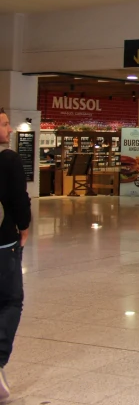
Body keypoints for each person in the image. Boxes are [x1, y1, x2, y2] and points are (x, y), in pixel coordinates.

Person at [0, 108, 31, 401]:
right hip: (3, 243)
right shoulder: (8, 159)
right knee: (11, 300)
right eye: (5, 124)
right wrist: (24, 227)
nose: (10, 130)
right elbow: (19, 198)